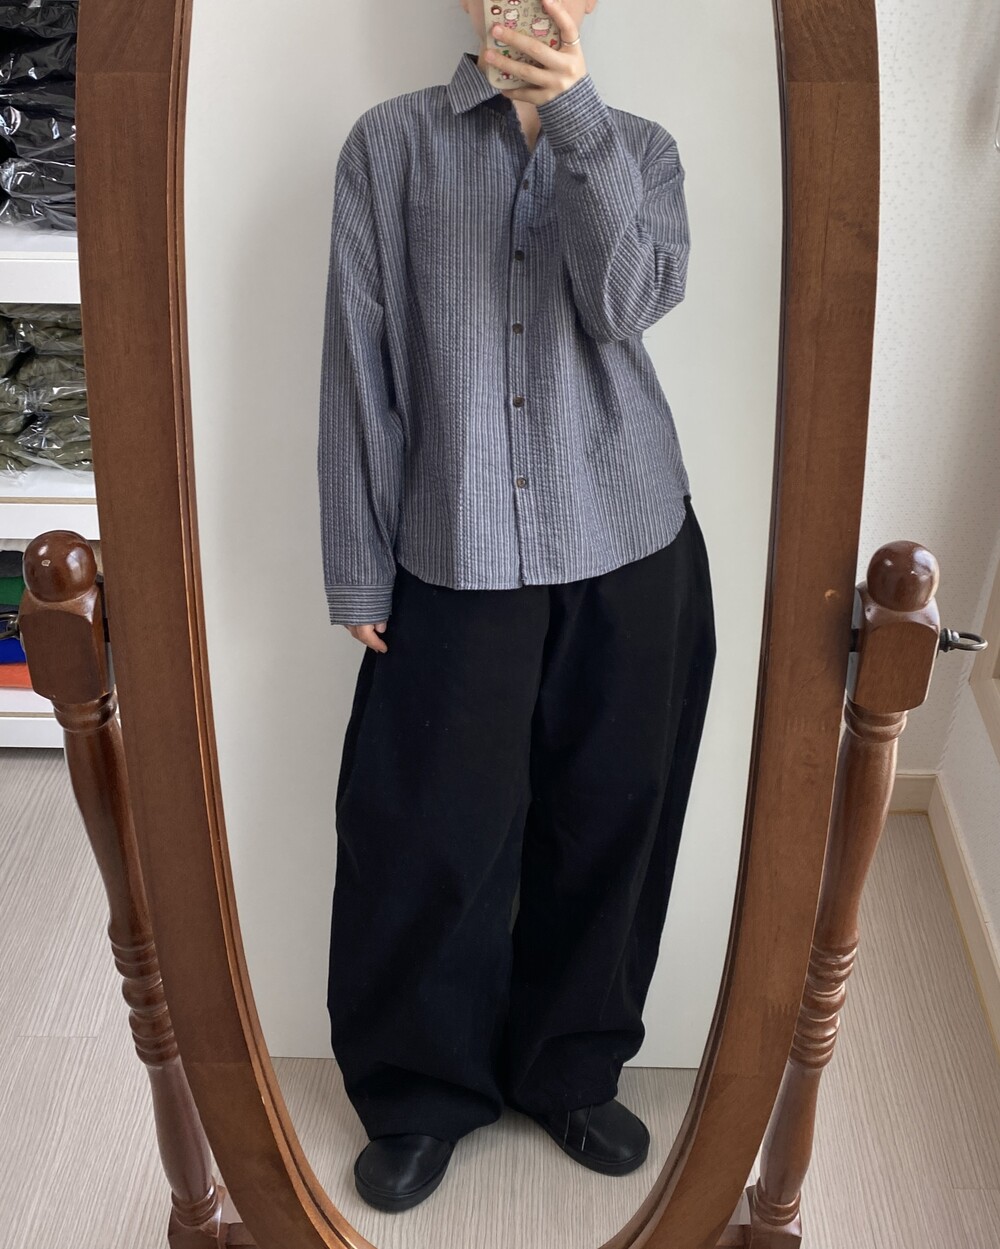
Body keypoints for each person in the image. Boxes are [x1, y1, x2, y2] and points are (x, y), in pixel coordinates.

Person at [317, 0, 716, 1213]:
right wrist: (358, 563)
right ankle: (418, 1094)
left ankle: (572, 1067)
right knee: (425, 838)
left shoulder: (640, 148)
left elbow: (628, 303)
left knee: (611, 822)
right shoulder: (388, 144)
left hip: (631, 537)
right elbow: (357, 358)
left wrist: (576, 124)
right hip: (454, 545)